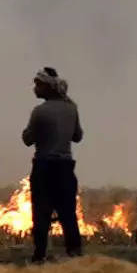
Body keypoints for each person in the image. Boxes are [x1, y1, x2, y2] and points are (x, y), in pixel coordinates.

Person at [22, 67, 84, 262]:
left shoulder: (40, 112)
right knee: (68, 213)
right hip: (66, 168)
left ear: (48, 87)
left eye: (38, 84)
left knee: (41, 212)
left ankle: (39, 254)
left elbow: (27, 139)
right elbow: (78, 136)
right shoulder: (71, 108)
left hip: (44, 168)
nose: (35, 88)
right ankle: (74, 253)